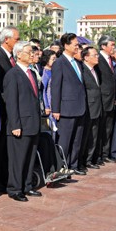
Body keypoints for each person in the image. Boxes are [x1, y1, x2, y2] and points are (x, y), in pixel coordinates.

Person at [3, 41, 42, 201]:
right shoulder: (13, 74)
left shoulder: (31, 73)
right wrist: (15, 125)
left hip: (33, 122)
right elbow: (11, 102)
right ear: (19, 54)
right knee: (18, 159)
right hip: (20, 125)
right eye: (29, 52)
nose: (32, 54)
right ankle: (15, 189)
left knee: (30, 157)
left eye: (33, 52)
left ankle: (27, 185)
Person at [0, 26, 19, 192]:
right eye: (16, 39)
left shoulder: (10, 57)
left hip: (9, 111)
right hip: (2, 111)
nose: (18, 42)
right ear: (6, 39)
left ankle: (3, 177)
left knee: (4, 148)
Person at [51, 33, 87, 175]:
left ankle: (74, 165)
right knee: (64, 142)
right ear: (66, 45)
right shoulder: (59, 63)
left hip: (80, 107)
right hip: (66, 109)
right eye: (75, 44)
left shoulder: (77, 63)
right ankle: (62, 167)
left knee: (77, 140)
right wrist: (56, 109)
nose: (77, 46)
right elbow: (56, 87)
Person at [79, 47, 102, 169]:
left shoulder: (96, 70)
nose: (97, 57)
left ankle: (89, 159)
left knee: (94, 135)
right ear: (86, 57)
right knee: (86, 136)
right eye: (94, 55)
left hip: (97, 107)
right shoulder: (82, 70)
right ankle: (82, 161)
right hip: (88, 107)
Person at [96, 35, 116, 164]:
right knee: (100, 130)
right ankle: (97, 156)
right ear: (103, 46)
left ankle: (105, 153)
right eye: (111, 45)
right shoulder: (98, 59)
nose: (114, 47)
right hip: (102, 100)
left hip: (111, 100)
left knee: (108, 129)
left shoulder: (111, 60)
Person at [40, 49, 57, 131]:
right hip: (50, 104)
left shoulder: (54, 71)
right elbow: (43, 90)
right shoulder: (45, 73)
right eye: (53, 59)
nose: (55, 61)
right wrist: (46, 106)